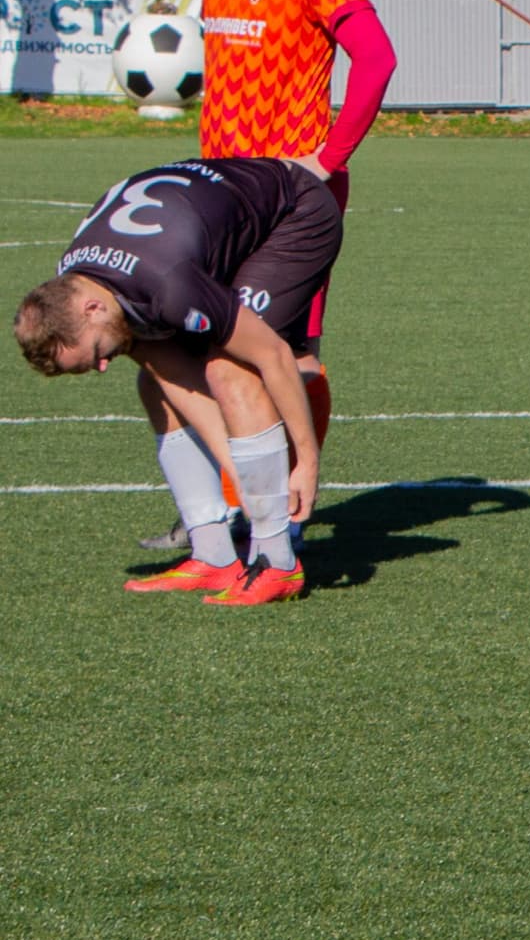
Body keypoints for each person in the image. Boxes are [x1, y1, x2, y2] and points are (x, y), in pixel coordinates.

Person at [138, 0, 397, 553]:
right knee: (196, 350)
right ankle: (227, 513)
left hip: (288, 199)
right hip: (220, 193)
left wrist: (328, 157)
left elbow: (376, 60)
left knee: (284, 355)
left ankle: (285, 509)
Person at [14, 157, 343, 606]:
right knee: (154, 383)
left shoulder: (166, 284)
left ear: (90, 309)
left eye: (95, 356)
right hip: (207, 225)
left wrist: (304, 462)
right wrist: (236, 469)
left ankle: (277, 562)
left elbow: (275, 356)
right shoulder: (79, 285)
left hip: (294, 214)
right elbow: (168, 370)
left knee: (231, 369)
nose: (104, 366)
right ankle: (213, 555)